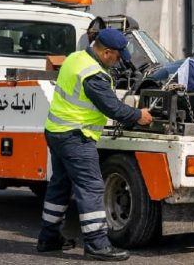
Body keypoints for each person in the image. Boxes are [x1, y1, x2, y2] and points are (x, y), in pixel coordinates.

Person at [37, 28, 153, 261]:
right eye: (117, 57)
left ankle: (49, 238)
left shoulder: (75, 58)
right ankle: (97, 244)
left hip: (56, 131)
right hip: (76, 136)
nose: (118, 62)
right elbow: (113, 108)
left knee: (60, 185)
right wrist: (138, 115)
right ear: (106, 52)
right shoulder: (94, 74)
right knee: (91, 188)